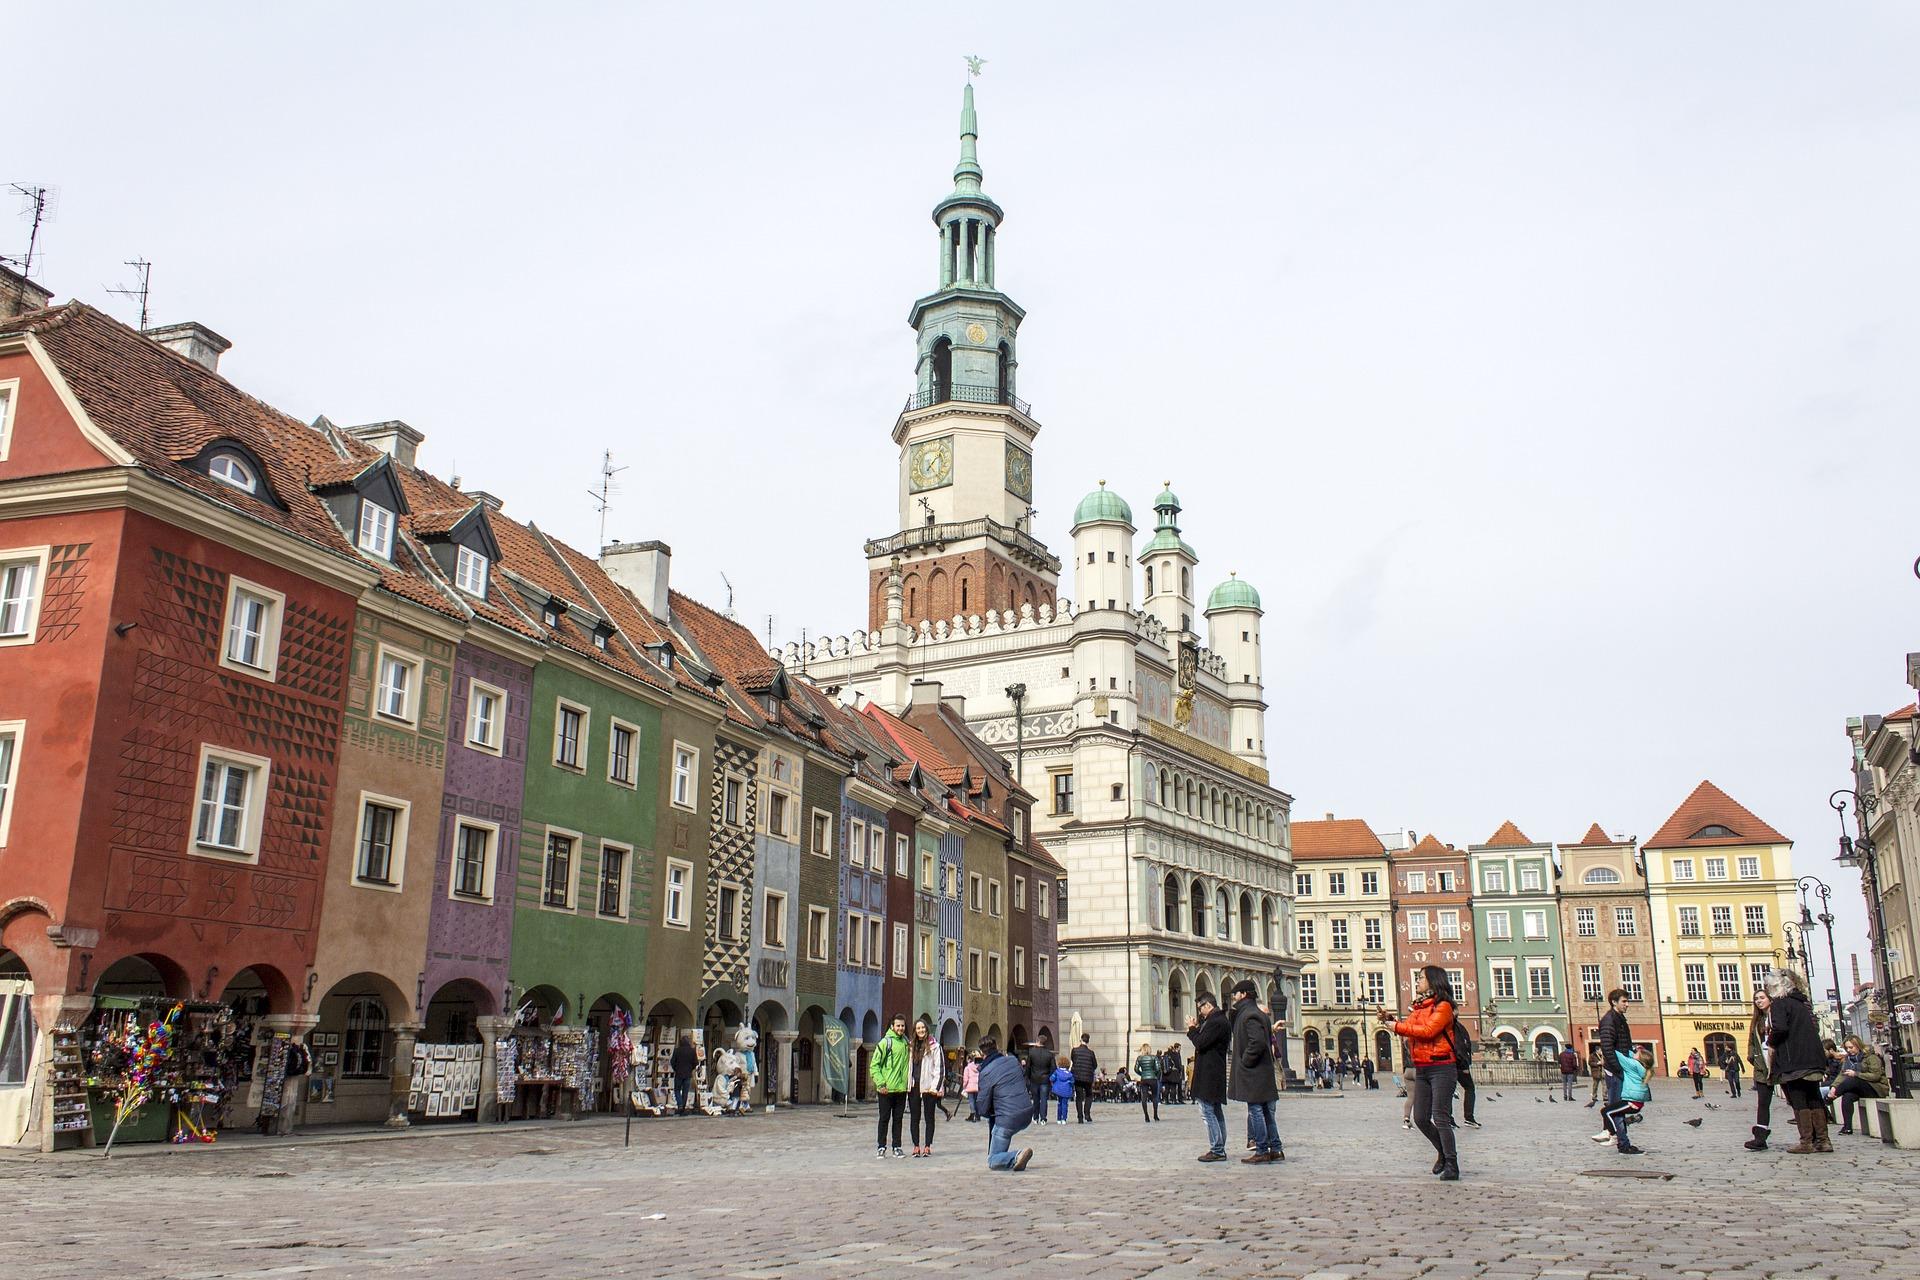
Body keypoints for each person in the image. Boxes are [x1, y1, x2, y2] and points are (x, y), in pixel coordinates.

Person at [1381, 965, 1461, 1180]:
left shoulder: (1443, 1007)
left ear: (1433, 981)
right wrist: (1390, 1019)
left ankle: (1452, 1164)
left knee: (1441, 1117)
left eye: (1421, 978)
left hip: (1442, 1067)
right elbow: (1409, 1027)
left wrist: (1396, 1026)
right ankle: (1443, 1153)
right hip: (1422, 1068)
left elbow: (1428, 1032)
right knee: (1421, 1118)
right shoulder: (1418, 1008)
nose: (1417, 981)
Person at [1767, 971, 1830, 1155]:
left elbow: (1780, 1028)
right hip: (1813, 1056)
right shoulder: (1803, 1003)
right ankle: (1824, 1141)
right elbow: (1815, 1027)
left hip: (1793, 1058)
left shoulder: (1780, 1003)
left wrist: (1771, 1042)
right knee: (1814, 1097)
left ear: (1776, 987)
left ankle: (1806, 1142)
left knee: (1799, 1099)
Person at [1228, 981, 1281, 1163]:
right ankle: (1276, 1148)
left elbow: (1256, 1042)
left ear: (1243, 994)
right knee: (1266, 1111)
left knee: (1256, 1110)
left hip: (1254, 1072)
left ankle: (1261, 1150)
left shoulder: (1249, 1015)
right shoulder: (1255, 1013)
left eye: (1235, 993)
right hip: (1262, 1071)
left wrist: (1245, 1062)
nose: (1233, 997)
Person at [973, 1036, 1034, 1171]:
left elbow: (982, 1107)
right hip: (1027, 1112)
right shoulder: (1013, 1060)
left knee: (993, 1160)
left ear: (982, 1054)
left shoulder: (986, 1072)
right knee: (1001, 1141)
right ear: (997, 1048)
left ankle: (1016, 1155)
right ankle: (1012, 1157)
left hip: (1007, 1119)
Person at [1186, 993, 1231, 1162]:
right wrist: (1198, 1028)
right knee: (1216, 1111)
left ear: (1208, 1005)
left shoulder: (1216, 1022)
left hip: (1209, 1073)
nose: (1199, 1012)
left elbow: (1201, 1043)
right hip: (1213, 1071)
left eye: (1200, 1008)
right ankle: (1219, 1147)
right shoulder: (1217, 1021)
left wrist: (1192, 1029)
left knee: (1207, 1112)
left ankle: (1217, 1149)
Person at [1590, 989, 1634, 1145]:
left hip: (1621, 1068)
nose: (1627, 1004)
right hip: (1615, 1071)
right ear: (1614, 1002)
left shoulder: (1619, 1018)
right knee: (1617, 1108)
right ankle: (1620, 1141)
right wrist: (1619, 1069)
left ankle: (1618, 1138)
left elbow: (1624, 1045)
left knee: (1619, 1107)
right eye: (1624, 1001)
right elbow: (1608, 1048)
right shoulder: (1609, 1020)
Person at [1600, 1045, 1655, 1154]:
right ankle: (1611, 1134)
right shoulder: (1641, 1066)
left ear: (1639, 1058)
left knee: (1607, 1112)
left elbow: (1619, 1056)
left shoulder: (1633, 1065)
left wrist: (1608, 1046)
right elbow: (1630, 1055)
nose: (1635, 1053)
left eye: (1637, 1053)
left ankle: (1612, 1135)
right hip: (1635, 1101)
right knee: (1609, 1112)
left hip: (1632, 1102)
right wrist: (1630, 1049)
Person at [1831, 1034, 1889, 1135]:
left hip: (1876, 1087)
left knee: (1853, 1080)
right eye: (1847, 1048)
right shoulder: (1848, 1059)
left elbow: (1876, 1076)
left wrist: (1857, 1074)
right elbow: (1842, 1075)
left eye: (1851, 1047)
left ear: (1858, 1045)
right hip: (1859, 1088)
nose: (1849, 1050)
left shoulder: (1871, 1057)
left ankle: (1829, 1099)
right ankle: (1847, 1127)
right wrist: (1833, 1087)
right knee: (1847, 1096)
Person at [871, 1014, 910, 1159]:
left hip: (901, 1089)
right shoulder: (884, 1043)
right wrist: (880, 1083)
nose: (900, 1028)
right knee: (884, 1118)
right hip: (886, 1089)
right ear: (892, 1026)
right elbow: (874, 1066)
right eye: (898, 1025)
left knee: (898, 1119)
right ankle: (881, 1146)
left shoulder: (906, 1043)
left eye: (902, 1026)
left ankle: (897, 1146)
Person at [907, 1017, 942, 1157]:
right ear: (915, 1031)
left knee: (929, 1118)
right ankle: (916, 1146)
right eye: (918, 1028)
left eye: (923, 1028)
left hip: (929, 1087)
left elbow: (939, 1068)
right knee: (914, 1117)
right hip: (914, 1086)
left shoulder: (934, 1046)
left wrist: (935, 1087)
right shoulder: (910, 1046)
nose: (921, 1030)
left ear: (927, 1029)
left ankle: (927, 1146)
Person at [1744, 991, 1774, 1150]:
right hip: (1762, 1066)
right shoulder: (1757, 1020)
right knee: (1763, 1102)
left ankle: (1810, 1134)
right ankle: (1760, 1138)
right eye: (1756, 998)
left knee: (1793, 1099)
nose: (1758, 1001)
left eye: (1762, 998)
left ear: (1770, 999)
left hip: (1780, 1064)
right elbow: (1751, 1041)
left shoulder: (1777, 1016)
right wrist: (1752, 1056)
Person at [1070, 1034, 1098, 1123]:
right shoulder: (1091, 1053)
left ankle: (1080, 1117)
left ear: (1081, 1040)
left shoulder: (1074, 1051)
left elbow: (1073, 1060)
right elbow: (1095, 1065)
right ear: (1088, 1041)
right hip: (1087, 1078)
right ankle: (1087, 1114)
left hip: (1077, 1077)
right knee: (1089, 1096)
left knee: (1079, 1097)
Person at [1024, 1040, 1053, 1121]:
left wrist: (1027, 1077)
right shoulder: (1049, 1053)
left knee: (1035, 1099)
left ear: (1038, 1042)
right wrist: (1050, 1077)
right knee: (1044, 1099)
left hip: (1034, 1079)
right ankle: (1043, 1118)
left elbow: (1028, 1066)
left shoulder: (1032, 1052)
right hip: (1045, 1079)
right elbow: (1053, 1067)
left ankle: (1035, 1117)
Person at [1134, 1041, 1162, 1121]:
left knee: (1144, 1098)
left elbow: (1135, 1069)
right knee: (1154, 1097)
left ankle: (1146, 1116)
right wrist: (1155, 1075)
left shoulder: (1139, 1058)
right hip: (1153, 1078)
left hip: (1144, 1079)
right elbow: (1158, 1068)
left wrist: (1142, 1074)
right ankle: (1155, 1115)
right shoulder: (1154, 1057)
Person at [670, 1034, 697, 1116]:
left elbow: (672, 1062)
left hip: (678, 1074)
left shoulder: (677, 1050)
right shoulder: (692, 1051)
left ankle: (680, 1105)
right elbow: (695, 1062)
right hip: (688, 1074)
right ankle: (683, 1108)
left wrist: (676, 1069)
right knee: (685, 1091)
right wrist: (691, 1069)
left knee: (677, 1090)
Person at [1049, 1054, 1073, 1124]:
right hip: (1066, 1091)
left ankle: (1058, 1119)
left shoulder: (1057, 1072)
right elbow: (1072, 1082)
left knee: (1059, 1104)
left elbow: (1051, 1078)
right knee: (1065, 1104)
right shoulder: (1069, 1074)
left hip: (1058, 1091)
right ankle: (1064, 1119)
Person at [963, 1050, 982, 1122]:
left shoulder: (967, 1068)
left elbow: (965, 1079)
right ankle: (978, 1115)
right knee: (977, 1101)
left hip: (970, 1087)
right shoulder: (980, 1067)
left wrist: (964, 1086)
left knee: (971, 1101)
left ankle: (973, 1114)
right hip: (978, 1087)